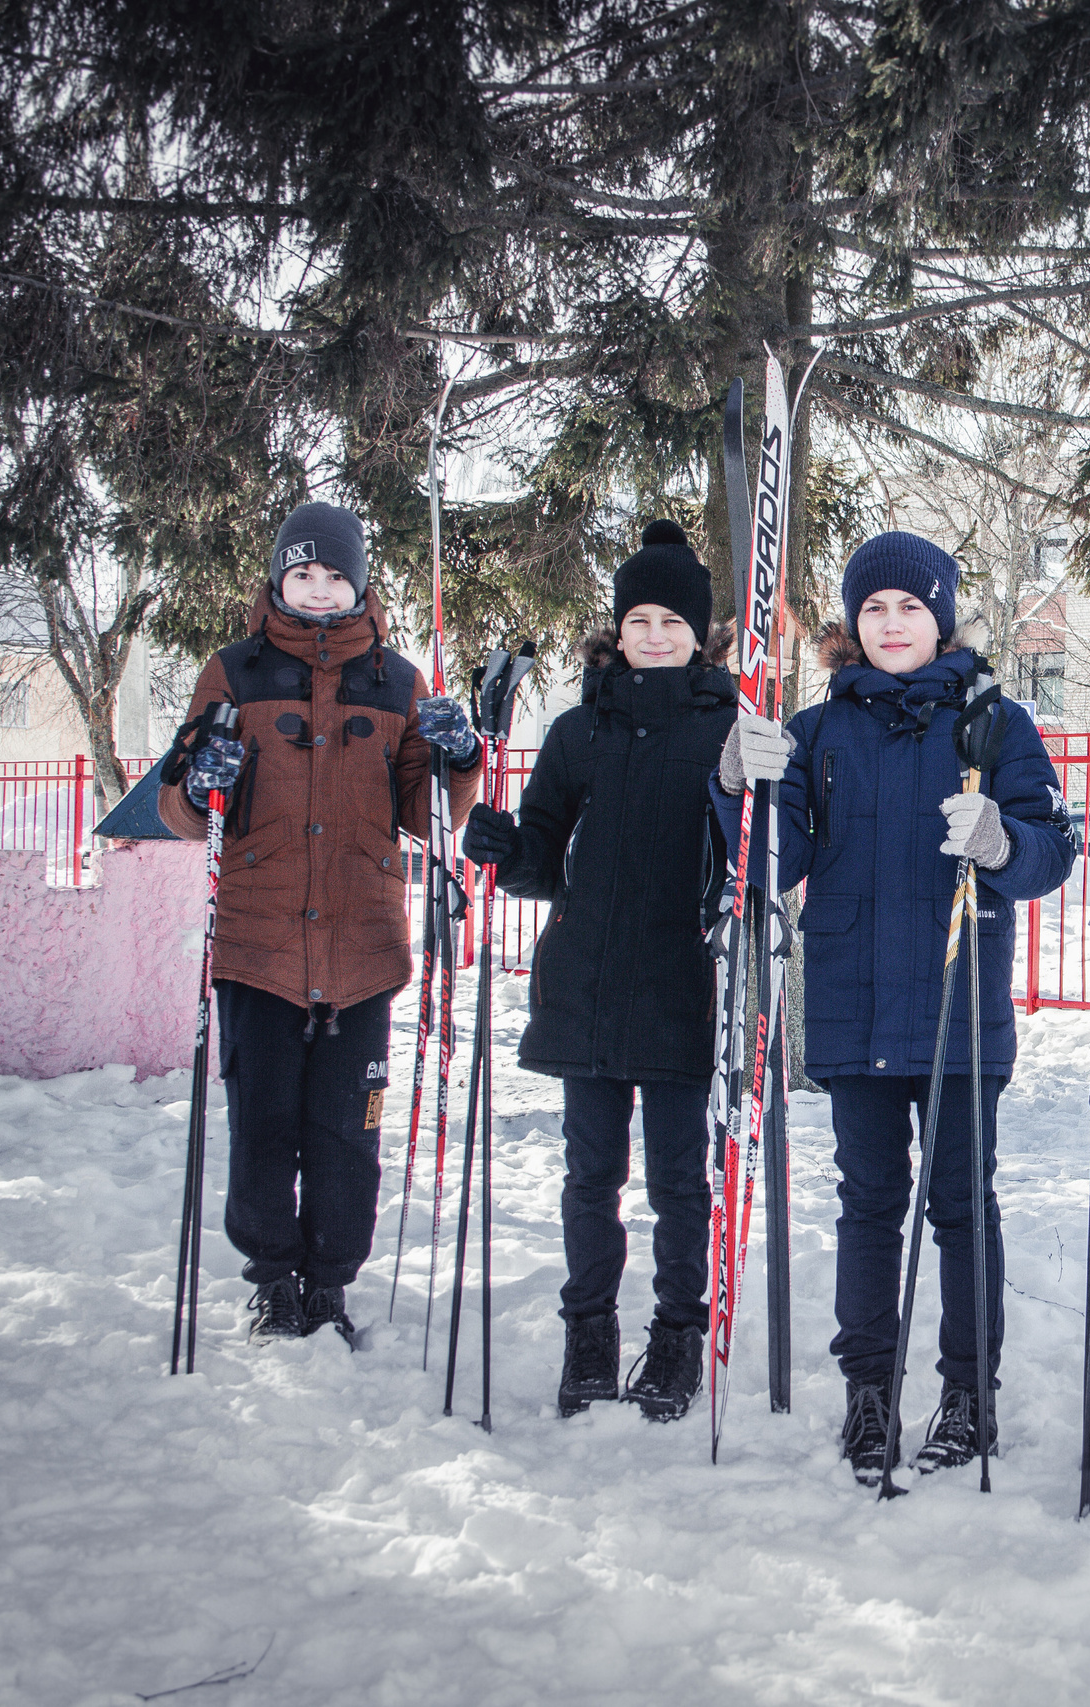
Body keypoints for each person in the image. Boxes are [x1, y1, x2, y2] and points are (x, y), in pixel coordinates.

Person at [716, 532, 1076, 1485]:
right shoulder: (817, 731)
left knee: (961, 1205)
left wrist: (1002, 841)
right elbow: (771, 864)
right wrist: (738, 786)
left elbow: (1052, 849)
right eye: (874, 607)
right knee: (868, 1205)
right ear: (853, 621)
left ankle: (969, 1393)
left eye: (910, 606)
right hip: (855, 1006)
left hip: (959, 1005)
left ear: (941, 616)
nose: (891, 622)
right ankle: (869, 1391)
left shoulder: (996, 721)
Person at [162, 499, 481, 1346]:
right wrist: (202, 784)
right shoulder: (233, 672)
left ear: (359, 584)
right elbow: (180, 806)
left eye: (334, 574)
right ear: (278, 578)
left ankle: (330, 1282)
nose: (317, 588)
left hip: (361, 950)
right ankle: (272, 1281)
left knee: (348, 1135)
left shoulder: (397, 681)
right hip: (258, 947)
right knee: (262, 1126)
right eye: (301, 572)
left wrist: (460, 759)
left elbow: (427, 813)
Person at [460, 521, 735, 1421]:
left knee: (678, 1180)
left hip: (680, 984)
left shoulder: (728, 730)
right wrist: (504, 847)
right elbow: (543, 858)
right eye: (639, 619)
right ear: (618, 628)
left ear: (700, 634)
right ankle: (589, 1332)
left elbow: (752, 857)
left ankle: (678, 1332)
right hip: (586, 984)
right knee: (590, 1175)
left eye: (671, 621)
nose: (653, 634)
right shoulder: (577, 732)